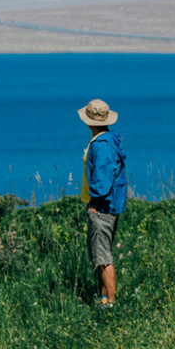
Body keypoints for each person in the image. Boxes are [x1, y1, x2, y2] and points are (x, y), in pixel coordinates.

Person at [78, 98, 128, 307]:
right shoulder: (109, 139)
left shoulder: (101, 145)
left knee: (103, 256)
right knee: (99, 253)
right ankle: (104, 297)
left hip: (102, 207)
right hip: (108, 206)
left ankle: (110, 303)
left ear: (90, 122)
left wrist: (94, 203)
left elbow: (102, 179)